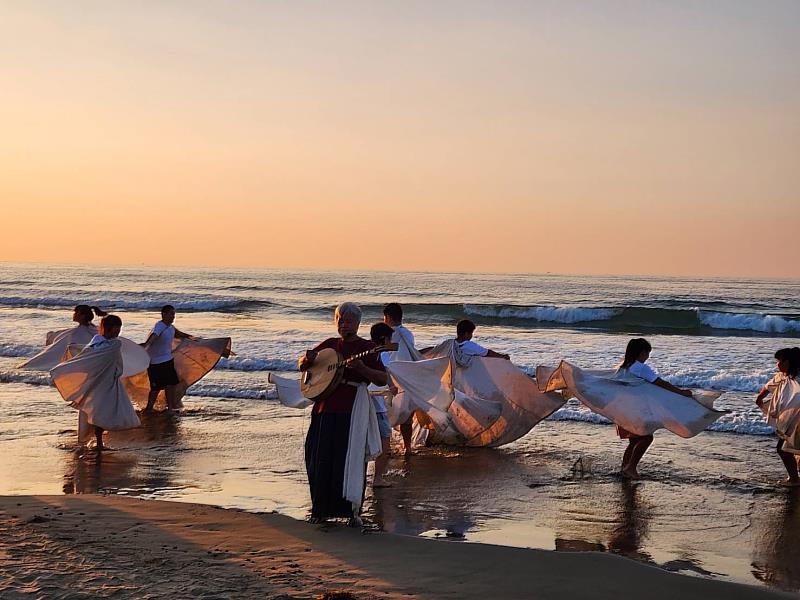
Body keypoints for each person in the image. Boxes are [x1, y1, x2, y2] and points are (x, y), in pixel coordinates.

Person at [299, 302, 387, 524]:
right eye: (340, 320)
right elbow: (304, 366)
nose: (343, 324)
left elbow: (382, 379)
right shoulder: (330, 345)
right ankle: (319, 510)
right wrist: (306, 360)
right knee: (319, 458)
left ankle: (351, 512)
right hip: (324, 408)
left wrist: (362, 369)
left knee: (349, 458)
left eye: (348, 321)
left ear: (357, 323)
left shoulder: (368, 347)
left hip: (351, 408)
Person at [50, 314, 141, 451]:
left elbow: (90, 357)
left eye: (120, 328)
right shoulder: (113, 344)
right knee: (99, 412)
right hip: (100, 383)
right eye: (117, 328)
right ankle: (98, 443)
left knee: (99, 411)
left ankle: (97, 441)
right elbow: (91, 358)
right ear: (109, 328)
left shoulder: (97, 342)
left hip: (103, 382)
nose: (119, 331)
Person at [616, 338, 693, 479]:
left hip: (623, 410)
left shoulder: (623, 367)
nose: (647, 357)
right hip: (635, 412)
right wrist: (680, 392)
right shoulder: (641, 368)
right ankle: (630, 468)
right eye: (647, 353)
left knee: (634, 441)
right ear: (641, 353)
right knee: (646, 437)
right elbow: (660, 383)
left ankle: (625, 468)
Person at [756, 347, 800, 486]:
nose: (777, 364)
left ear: (787, 362)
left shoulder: (797, 379)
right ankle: (795, 477)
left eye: (779, 361)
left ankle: (794, 479)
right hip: (790, 420)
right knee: (789, 448)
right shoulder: (783, 376)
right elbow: (768, 386)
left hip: (796, 420)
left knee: (784, 449)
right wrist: (760, 398)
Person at [383, 302, 422, 455]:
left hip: (391, 377)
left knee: (385, 414)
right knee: (407, 416)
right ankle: (407, 447)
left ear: (388, 317)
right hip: (408, 377)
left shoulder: (387, 334)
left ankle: (386, 446)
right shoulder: (407, 333)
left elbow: (385, 356)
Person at [18, 305, 108, 370]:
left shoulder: (78, 333)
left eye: (76, 313)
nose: (74, 315)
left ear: (82, 316)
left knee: (50, 353)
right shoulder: (93, 330)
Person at [142, 305, 194, 412]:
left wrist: (193, 338)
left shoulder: (170, 327)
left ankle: (170, 408)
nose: (173, 317)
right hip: (156, 363)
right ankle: (149, 409)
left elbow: (179, 334)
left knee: (170, 385)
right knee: (155, 388)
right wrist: (146, 345)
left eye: (174, 314)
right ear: (163, 314)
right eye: (171, 314)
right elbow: (154, 336)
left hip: (168, 361)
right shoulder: (160, 326)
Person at [370, 322, 396, 487]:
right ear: (384, 339)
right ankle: (378, 478)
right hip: (378, 406)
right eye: (389, 339)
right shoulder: (382, 353)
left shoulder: (365, 352)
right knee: (385, 441)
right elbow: (385, 371)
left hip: (363, 402)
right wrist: (392, 386)